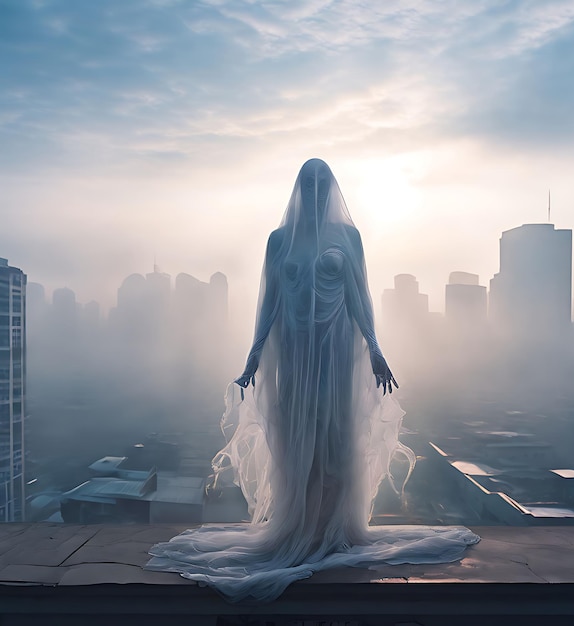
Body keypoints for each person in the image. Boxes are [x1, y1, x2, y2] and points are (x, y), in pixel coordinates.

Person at [146, 159, 479, 603]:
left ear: (332, 188)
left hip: (336, 355)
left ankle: (331, 531)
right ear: (300, 188)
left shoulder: (349, 238)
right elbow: (269, 304)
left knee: (334, 440)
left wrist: (376, 350)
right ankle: (297, 527)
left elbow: (360, 298)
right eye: (310, 182)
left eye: (324, 182)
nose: (318, 190)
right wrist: (254, 356)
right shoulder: (279, 240)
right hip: (295, 357)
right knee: (294, 440)